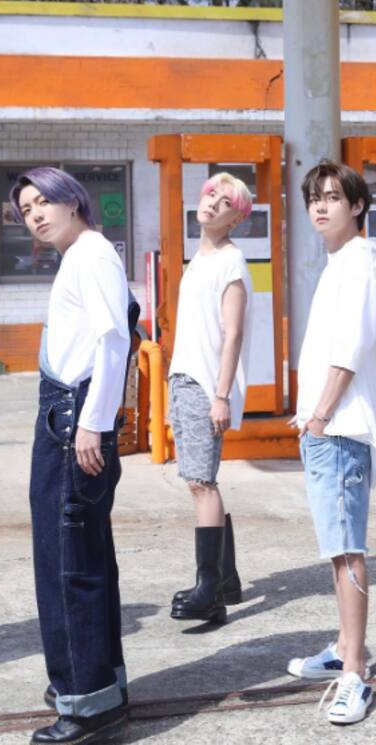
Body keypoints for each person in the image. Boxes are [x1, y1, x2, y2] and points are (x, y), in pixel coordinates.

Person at [12, 167, 131, 744]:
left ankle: (85, 702)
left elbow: (115, 339)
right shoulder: (81, 256)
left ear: (73, 201)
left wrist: (92, 422)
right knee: (82, 553)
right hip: (68, 412)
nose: (35, 214)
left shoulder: (91, 254)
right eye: (25, 208)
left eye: (43, 201)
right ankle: (97, 685)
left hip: (73, 416)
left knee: (67, 561)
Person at [286, 160, 376, 725]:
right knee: (338, 547)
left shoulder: (356, 268)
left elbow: (347, 356)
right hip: (330, 428)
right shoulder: (342, 264)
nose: (321, 206)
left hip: (341, 429)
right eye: (314, 198)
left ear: (357, 206)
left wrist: (320, 417)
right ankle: (344, 649)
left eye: (333, 197)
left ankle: (355, 673)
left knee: (349, 550)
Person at [167, 172, 254, 623]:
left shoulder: (231, 262)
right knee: (196, 480)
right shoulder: (198, 258)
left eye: (225, 203)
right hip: (185, 378)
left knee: (203, 482)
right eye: (211, 194)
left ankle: (209, 591)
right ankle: (227, 579)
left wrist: (221, 395)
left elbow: (233, 333)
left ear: (235, 218)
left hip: (206, 385)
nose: (213, 203)